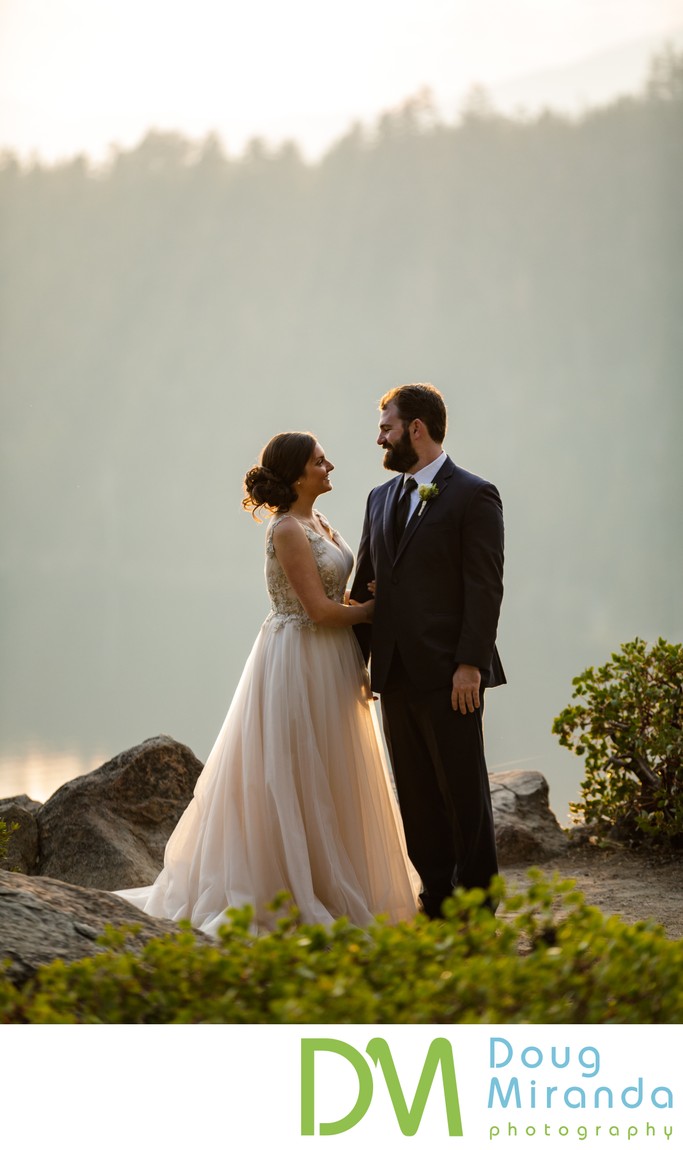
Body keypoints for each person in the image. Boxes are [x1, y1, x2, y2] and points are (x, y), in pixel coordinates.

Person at [116, 431, 420, 934]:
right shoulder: (285, 529)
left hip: (333, 661)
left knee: (333, 771)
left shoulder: (317, 519)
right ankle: (289, 885)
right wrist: (378, 611)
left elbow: (335, 594)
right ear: (298, 473)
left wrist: (366, 598)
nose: (331, 467)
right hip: (297, 659)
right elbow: (320, 611)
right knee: (294, 772)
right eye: (321, 462)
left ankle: (335, 881)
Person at [350, 383, 505, 918]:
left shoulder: (473, 494)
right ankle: (436, 900)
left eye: (386, 428)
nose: (380, 439)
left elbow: (484, 588)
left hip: (450, 674)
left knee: (464, 793)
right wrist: (358, 663)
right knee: (415, 796)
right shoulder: (377, 499)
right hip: (393, 675)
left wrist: (471, 665)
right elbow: (365, 587)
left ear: (416, 428)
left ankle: (479, 907)